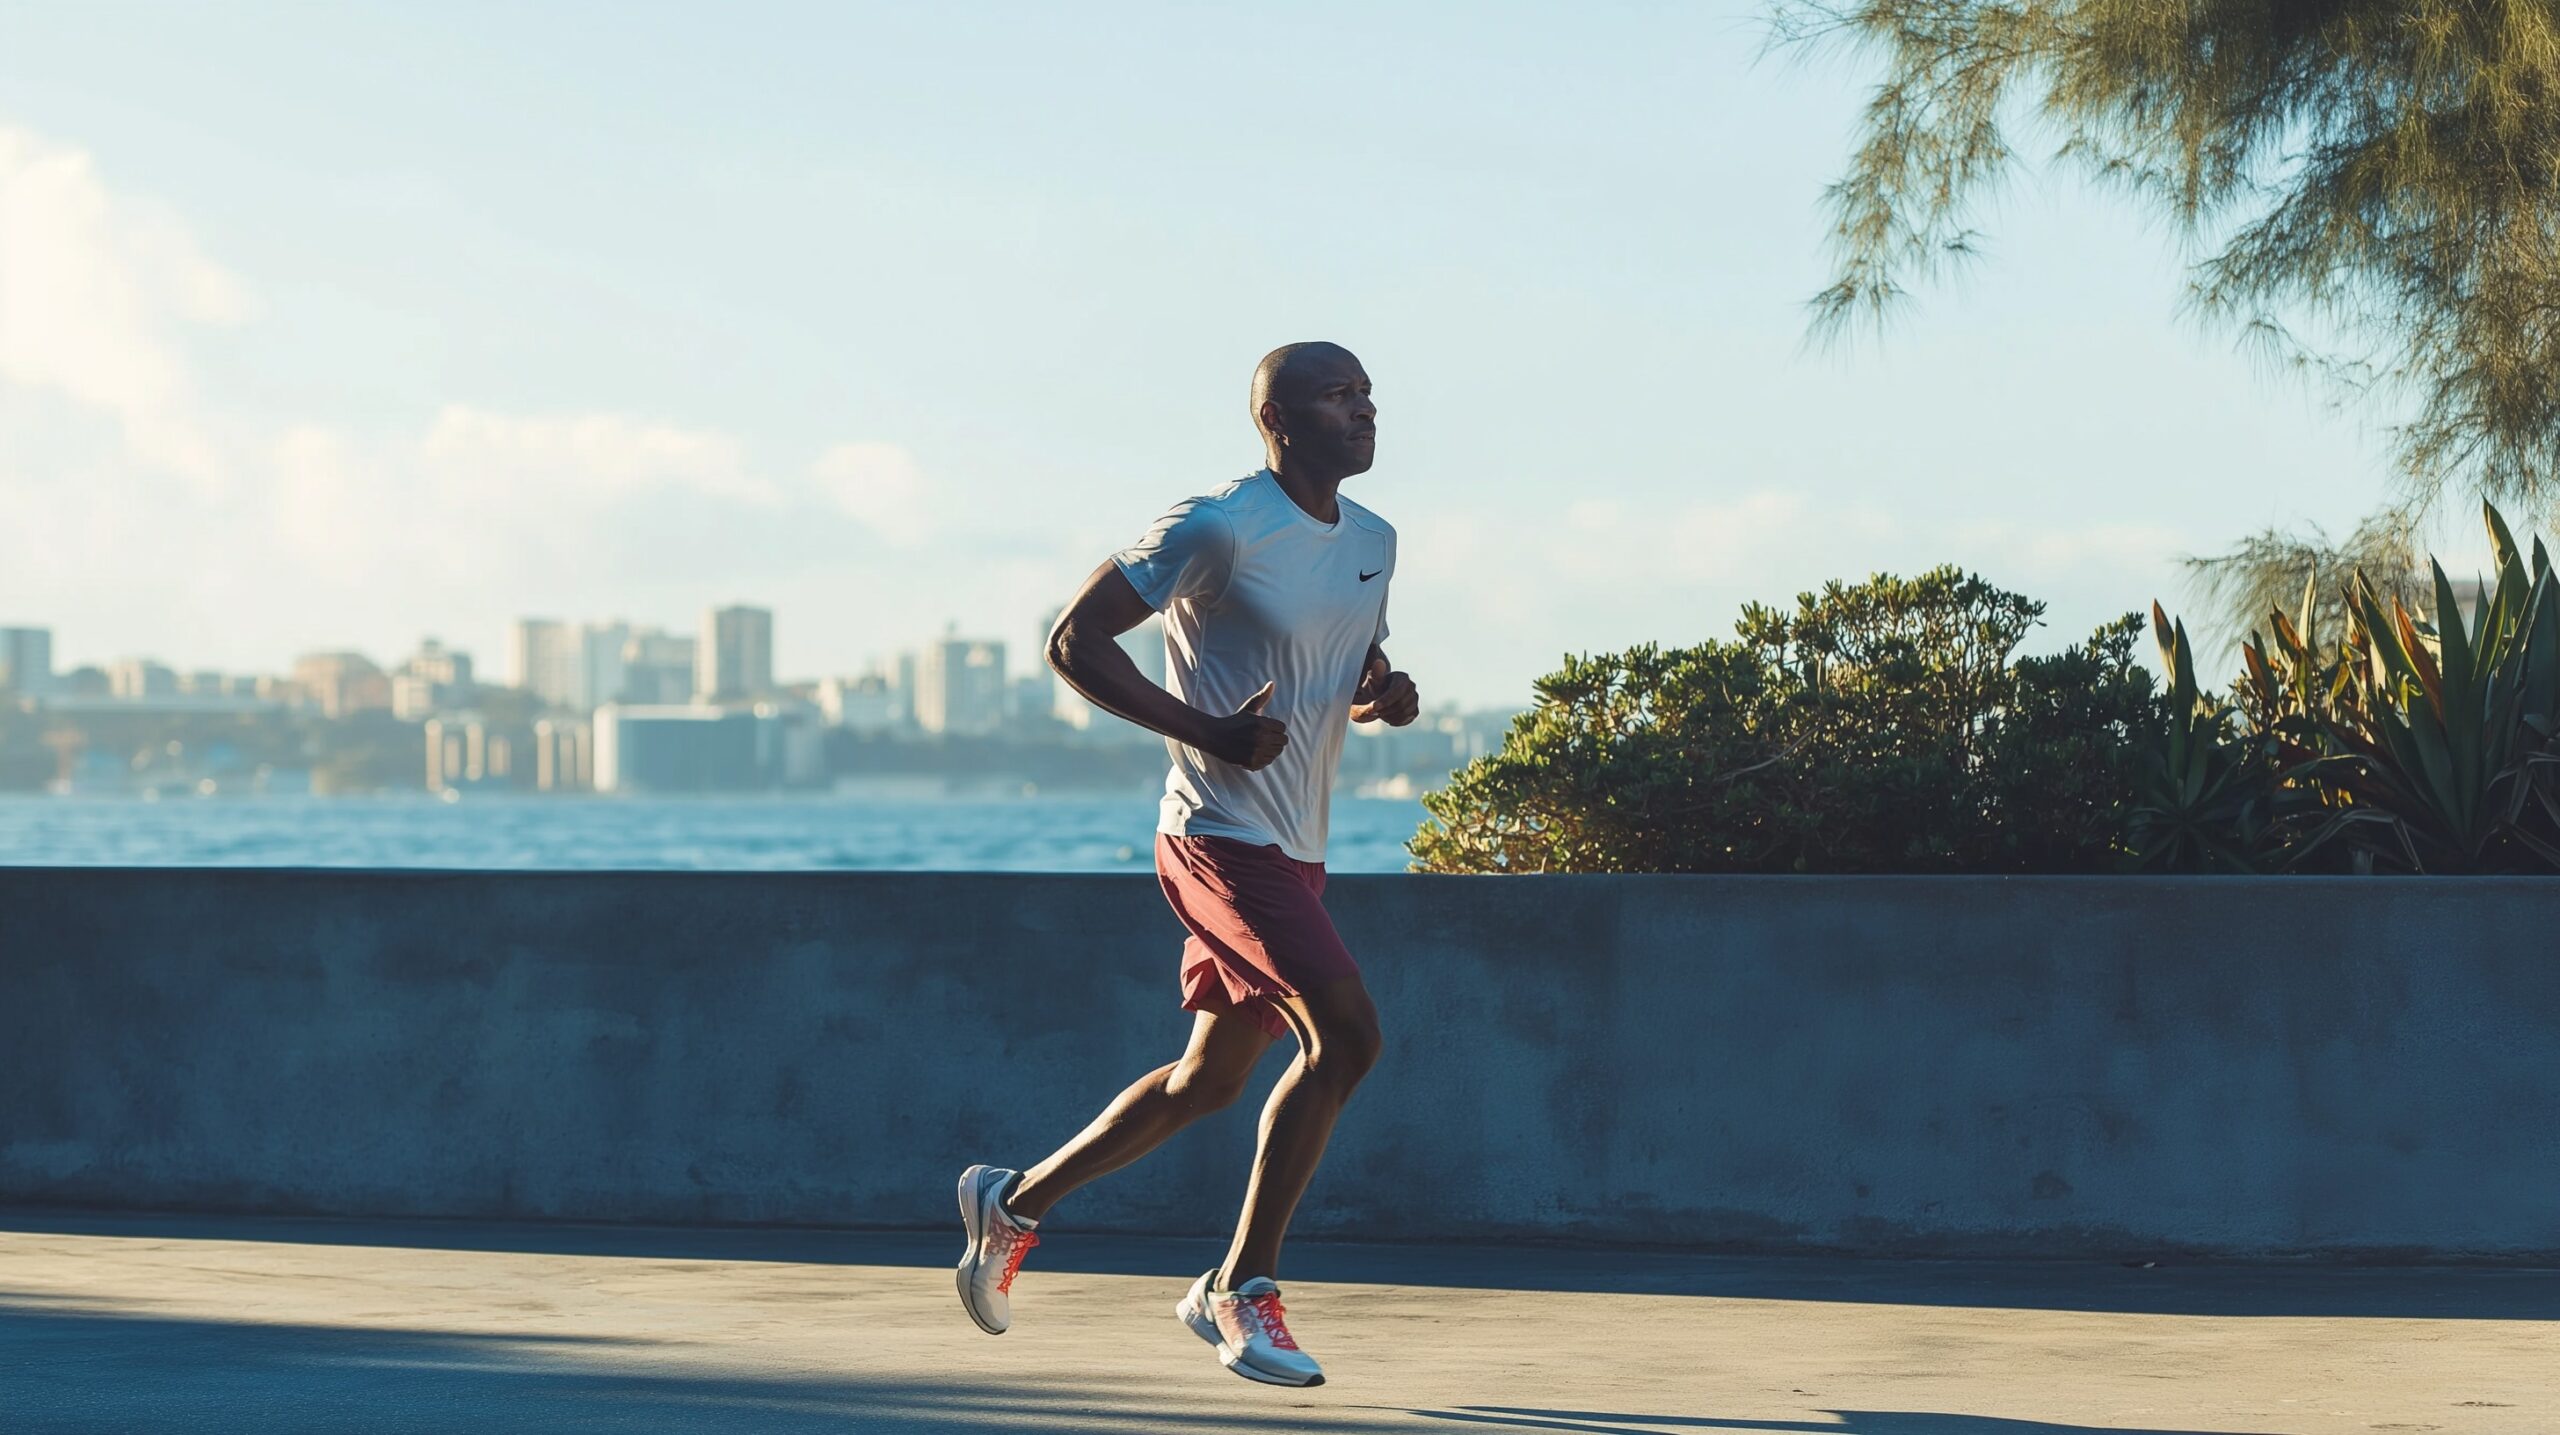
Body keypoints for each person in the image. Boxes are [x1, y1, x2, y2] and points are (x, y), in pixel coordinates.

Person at [954, 341, 1420, 1387]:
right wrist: (1201, 729)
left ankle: (1012, 1200)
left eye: (1369, 394)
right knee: (1345, 1038)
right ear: (1278, 420)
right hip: (1216, 836)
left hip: (1297, 846)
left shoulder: (1375, 539)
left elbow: (1339, 661)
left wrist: (1380, 692)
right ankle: (1239, 1290)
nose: (1366, 408)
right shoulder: (1216, 525)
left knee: (1206, 1081)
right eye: (1340, 395)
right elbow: (1077, 639)